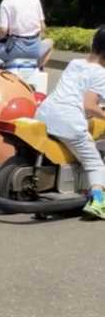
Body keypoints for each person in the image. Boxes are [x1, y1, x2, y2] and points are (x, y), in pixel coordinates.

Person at [35, 25, 105, 220]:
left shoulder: (75, 63)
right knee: (94, 163)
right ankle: (98, 201)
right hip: (68, 122)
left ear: (93, 43)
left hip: (44, 114)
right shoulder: (101, 73)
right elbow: (90, 106)